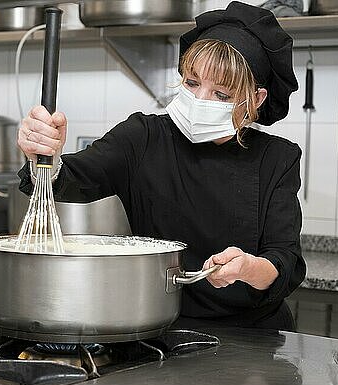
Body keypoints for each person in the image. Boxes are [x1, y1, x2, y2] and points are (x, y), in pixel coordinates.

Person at [16, 1, 306, 331]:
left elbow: (285, 260)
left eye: (222, 94)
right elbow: (68, 179)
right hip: (162, 327)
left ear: (256, 100)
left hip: (254, 336)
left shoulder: (277, 159)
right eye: (193, 83)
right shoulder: (144, 137)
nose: (200, 101)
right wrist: (44, 155)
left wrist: (249, 268)